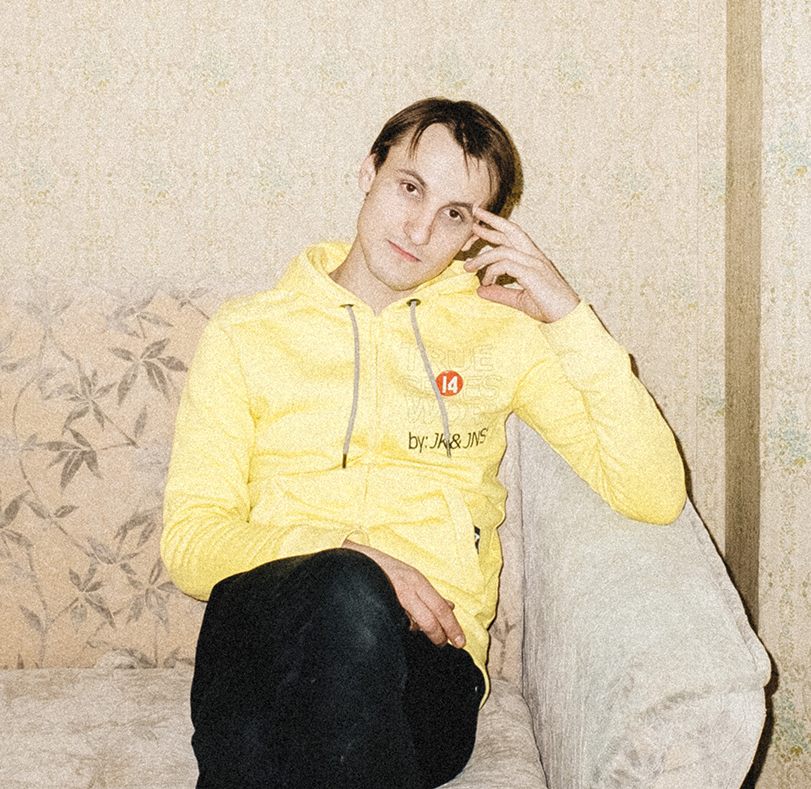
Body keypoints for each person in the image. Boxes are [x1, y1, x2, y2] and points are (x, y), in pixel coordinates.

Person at [161, 97, 685, 789]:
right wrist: (350, 556)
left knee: (318, 678)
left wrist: (567, 315)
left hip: (427, 669)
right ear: (368, 172)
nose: (420, 229)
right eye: (410, 188)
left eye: (455, 214)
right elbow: (191, 544)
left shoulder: (501, 332)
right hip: (269, 632)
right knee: (344, 590)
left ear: (476, 235)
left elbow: (653, 492)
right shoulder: (246, 333)